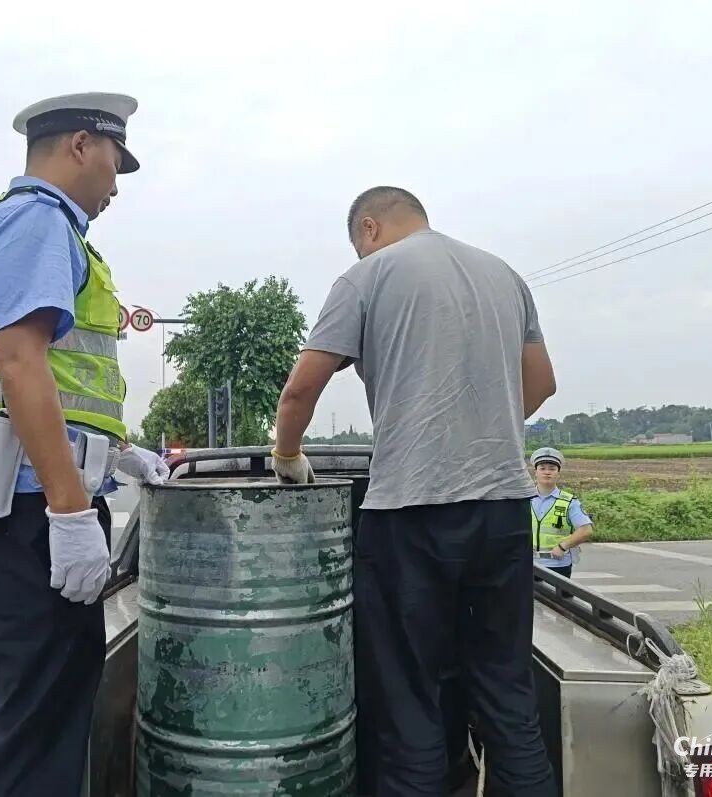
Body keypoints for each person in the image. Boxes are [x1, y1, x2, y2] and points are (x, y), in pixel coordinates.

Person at [272, 186, 558, 797]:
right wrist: (481, 429)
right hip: (504, 510)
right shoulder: (504, 275)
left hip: (411, 514)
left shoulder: (366, 276)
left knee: (409, 700)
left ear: (369, 228)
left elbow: (300, 391)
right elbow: (542, 383)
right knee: (509, 696)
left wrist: (288, 455)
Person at [0, 93, 169, 797]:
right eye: (114, 161)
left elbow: (64, 382)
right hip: (32, 510)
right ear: (79, 145)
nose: (116, 183)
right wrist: (71, 514)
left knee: (55, 707)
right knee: (39, 719)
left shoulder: (54, 232)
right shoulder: (39, 223)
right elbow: (20, 362)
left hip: (38, 501)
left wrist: (118, 450)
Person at [529, 447, 593, 578]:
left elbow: (586, 530)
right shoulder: (524, 499)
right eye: (542, 468)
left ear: (558, 473)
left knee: (559, 599)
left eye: (552, 469)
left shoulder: (569, 502)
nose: (547, 472)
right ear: (535, 472)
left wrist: (563, 546)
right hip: (528, 564)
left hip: (558, 565)